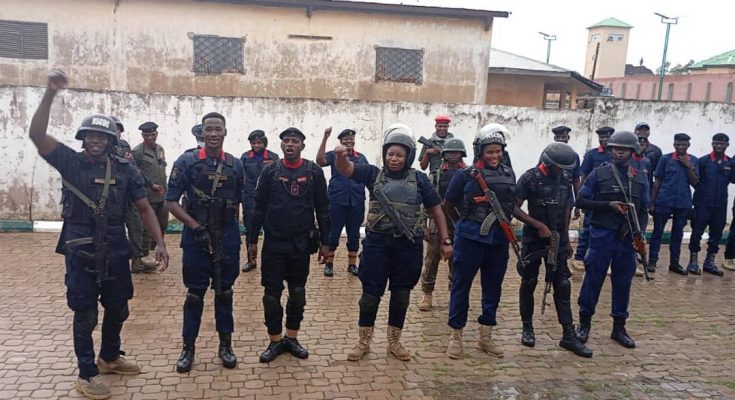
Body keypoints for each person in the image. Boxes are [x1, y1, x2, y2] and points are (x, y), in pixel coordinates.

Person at [29, 69, 169, 400]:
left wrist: (160, 243)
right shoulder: (70, 162)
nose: (95, 140)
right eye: (90, 135)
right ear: (83, 138)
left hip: (116, 245)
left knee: (119, 307)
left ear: (110, 141)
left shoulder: (125, 168)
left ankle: (109, 357)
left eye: (101, 136)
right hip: (80, 245)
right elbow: (36, 134)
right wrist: (50, 93)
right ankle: (87, 372)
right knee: (86, 313)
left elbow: (144, 207)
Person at [336, 124, 451, 361]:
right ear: (385, 154)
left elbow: (436, 209)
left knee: (401, 296)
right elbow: (346, 169)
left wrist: (445, 239)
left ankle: (394, 343)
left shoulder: (419, 179)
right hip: (377, 244)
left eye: (399, 155)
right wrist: (339, 156)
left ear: (408, 155)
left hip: (407, 246)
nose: (394, 159)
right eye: (390, 154)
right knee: (370, 296)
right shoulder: (371, 173)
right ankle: (363, 342)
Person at [165, 112, 244, 373]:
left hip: (227, 237)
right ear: (201, 132)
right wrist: (194, 226)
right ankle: (188, 347)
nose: (212, 133)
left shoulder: (236, 165)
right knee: (194, 295)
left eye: (217, 129)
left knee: (225, 293)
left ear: (224, 132)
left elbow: (241, 202)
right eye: (208, 129)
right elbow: (171, 201)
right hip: (196, 239)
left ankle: (226, 346)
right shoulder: (186, 162)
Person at [249, 127, 330, 363]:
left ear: (303, 147)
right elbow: (259, 206)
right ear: (281, 146)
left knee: (297, 293)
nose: (290, 144)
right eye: (286, 141)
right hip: (274, 244)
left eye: (295, 141)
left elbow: (323, 208)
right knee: (271, 295)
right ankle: (275, 341)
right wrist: (252, 240)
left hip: (301, 246)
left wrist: (326, 243)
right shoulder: (270, 171)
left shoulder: (313, 171)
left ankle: (292, 338)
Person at [443, 125, 520, 359]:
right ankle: (456, 336)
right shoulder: (464, 175)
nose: (494, 156)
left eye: (498, 151)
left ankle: (485, 337)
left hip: (497, 241)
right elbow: (448, 204)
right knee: (460, 286)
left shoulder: (509, 173)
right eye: (490, 152)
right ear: (480, 152)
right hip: (470, 240)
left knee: (493, 288)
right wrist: (462, 225)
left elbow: (510, 205)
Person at [514, 143, 592, 357]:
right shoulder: (529, 178)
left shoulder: (565, 180)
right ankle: (527, 326)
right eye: (559, 167)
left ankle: (568, 335)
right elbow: (513, 207)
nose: (563, 171)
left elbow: (567, 208)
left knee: (563, 284)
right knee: (529, 281)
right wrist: (537, 225)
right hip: (533, 238)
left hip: (557, 238)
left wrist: (565, 238)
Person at [575, 131, 649, 349]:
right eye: (616, 148)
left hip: (626, 240)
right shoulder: (598, 174)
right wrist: (607, 205)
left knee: (623, 283)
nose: (619, 151)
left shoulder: (640, 176)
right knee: (592, 281)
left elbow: (644, 209)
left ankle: (619, 327)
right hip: (602, 236)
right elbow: (580, 200)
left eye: (624, 149)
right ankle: (584, 324)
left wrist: (639, 233)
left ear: (632, 152)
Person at [418, 138, 466, 311]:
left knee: (457, 262)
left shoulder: (469, 173)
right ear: (444, 154)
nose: (453, 155)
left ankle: (454, 295)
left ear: (462, 154)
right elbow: (425, 201)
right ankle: (427, 294)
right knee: (431, 261)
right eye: (450, 152)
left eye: (457, 152)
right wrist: (423, 223)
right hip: (437, 223)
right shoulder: (436, 175)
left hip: (459, 224)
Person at [316, 127, 369, 277]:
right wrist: (325, 138)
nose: (349, 141)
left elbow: (367, 175)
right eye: (345, 139)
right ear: (340, 141)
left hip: (356, 201)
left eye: (351, 138)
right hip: (337, 200)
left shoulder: (361, 157)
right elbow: (320, 161)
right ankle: (329, 264)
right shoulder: (334, 155)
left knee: (354, 234)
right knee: (333, 232)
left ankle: (352, 265)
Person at [649, 133, 699, 275]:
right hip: (664, 201)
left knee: (677, 234)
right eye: (678, 144)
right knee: (657, 232)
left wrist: (688, 166)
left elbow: (695, 183)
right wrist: (652, 203)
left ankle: (674, 263)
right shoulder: (665, 159)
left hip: (683, 203)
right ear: (674, 145)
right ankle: (652, 261)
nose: (681, 147)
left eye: (684, 144)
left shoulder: (693, 161)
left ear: (688, 145)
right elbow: (657, 182)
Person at [687, 133, 732, 276]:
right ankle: (693, 262)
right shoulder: (703, 161)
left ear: (727, 145)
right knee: (697, 232)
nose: (719, 146)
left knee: (717, 233)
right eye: (716, 143)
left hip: (720, 204)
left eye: (722, 144)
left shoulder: (730, 163)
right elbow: (695, 180)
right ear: (712, 144)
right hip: (703, 203)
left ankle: (709, 262)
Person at [570, 126, 614, 272]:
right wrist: (580, 199)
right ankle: (579, 258)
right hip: (593, 200)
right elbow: (583, 177)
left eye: (607, 137)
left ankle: (604, 261)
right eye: (602, 138)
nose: (604, 140)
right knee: (587, 230)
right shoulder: (592, 155)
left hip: (610, 201)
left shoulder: (615, 154)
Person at [240, 129, 279, 273]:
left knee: (271, 230)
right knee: (250, 230)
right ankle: (251, 260)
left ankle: (271, 261)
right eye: (253, 143)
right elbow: (240, 178)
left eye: (259, 143)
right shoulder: (245, 157)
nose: (256, 145)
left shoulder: (273, 157)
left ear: (264, 143)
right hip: (250, 198)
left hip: (270, 199)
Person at [132, 122, 168, 270]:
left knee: (162, 225)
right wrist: (149, 186)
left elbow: (161, 168)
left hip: (162, 195)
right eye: (147, 135)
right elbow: (134, 173)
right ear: (143, 136)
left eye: (152, 134)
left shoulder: (160, 149)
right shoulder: (138, 152)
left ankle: (154, 251)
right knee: (146, 228)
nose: (150, 137)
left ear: (156, 134)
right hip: (147, 196)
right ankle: (142, 257)